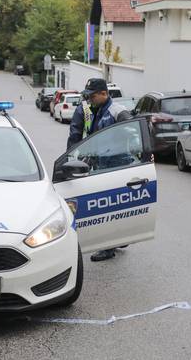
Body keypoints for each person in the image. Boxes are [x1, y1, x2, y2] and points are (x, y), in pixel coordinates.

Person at [67, 78, 133, 262]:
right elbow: (80, 136)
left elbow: (133, 135)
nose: (89, 100)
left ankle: (107, 247)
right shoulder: (94, 110)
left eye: (92, 96)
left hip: (116, 166)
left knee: (109, 208)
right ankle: (118, 239)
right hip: (102, 166)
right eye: (87, 96)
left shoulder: (117, 111)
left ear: (104, 94)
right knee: (112, 207)